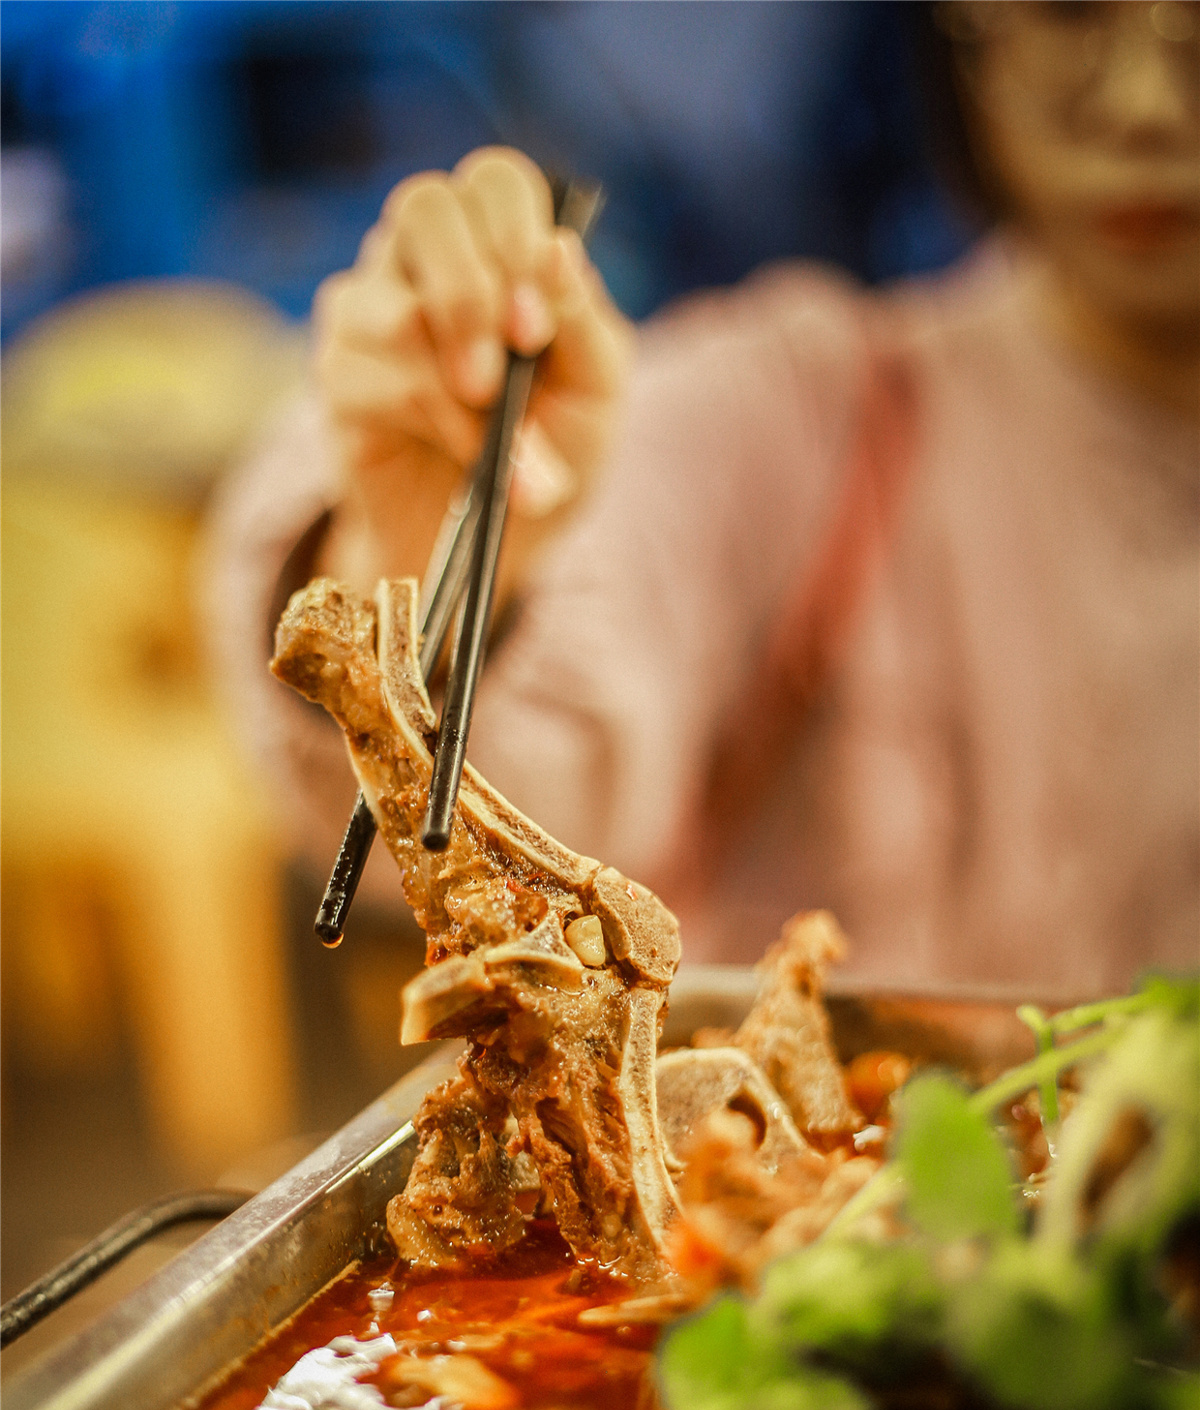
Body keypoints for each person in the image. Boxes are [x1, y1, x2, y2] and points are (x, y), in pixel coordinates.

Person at [204, 1, 1200, 995]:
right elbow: (444, 832)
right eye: (1069, 11)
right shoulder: (824, 415)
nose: (1142, 103)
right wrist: (411, 542)